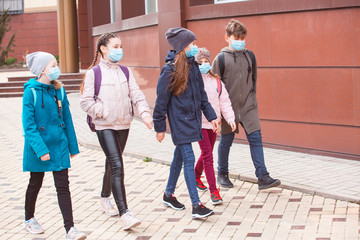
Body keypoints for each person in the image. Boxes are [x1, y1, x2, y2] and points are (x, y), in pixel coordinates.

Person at [80, 33, 153, 230]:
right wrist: (103, 112)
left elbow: (136, 95)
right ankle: (125, 213)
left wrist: (145, 113)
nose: (120, 49)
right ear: (103, 48)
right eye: (115, 46)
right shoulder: (94, 73)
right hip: (105, 126)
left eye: (121, 46)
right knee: (117, 165)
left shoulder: (125, 71)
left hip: (124, 125)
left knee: (111, 164)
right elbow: (85, 101)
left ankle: (104, 198)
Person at [153, 27, 219, 219]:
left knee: (180, 157)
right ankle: (196, 204)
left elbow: (202, 97)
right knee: (189, 158)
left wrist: (212, 116)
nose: (195, 47)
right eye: (192, 44)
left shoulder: (194, 67)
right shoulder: (169, 70)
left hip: (193, 120)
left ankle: (168, 194)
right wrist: (159, 128)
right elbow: (161, 101)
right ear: (183, 47)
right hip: (179, 122)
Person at [22, 52, 86, 240]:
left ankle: (70, 229)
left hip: (59, 145)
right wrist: (41, 150)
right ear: (42, 70)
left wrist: (73, 147)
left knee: (63, 186)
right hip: (38, 147)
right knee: (35, 183)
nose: (56, 68)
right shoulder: (30, 92)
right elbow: (29, 126)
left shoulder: (60, 90)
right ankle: (28, 218)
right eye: (53, 65)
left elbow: (67, 119)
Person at [212, 19, 281, 190]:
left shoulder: (250, 56)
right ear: (227, 38)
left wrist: (252, 100)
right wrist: (217, 111)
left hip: (249, 106)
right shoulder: (220, 59)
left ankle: (262, 176)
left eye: (242, 38)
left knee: (256, 138)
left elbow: (253, 80)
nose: (240, 42)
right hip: (228, 108)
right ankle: (222, 174)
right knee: (226, 140)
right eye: (236, 38)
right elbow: (214, 87)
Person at [194, 48, 236, 205]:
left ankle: (195, 175)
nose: (204, 64)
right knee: (208, 156)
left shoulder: (217, 81)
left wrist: (230, 118)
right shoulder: (193, 81)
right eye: (200, 62)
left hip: (214, 123)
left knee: (207, 153)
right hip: (199, 124)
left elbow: (224, 101)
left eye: (206, 62)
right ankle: (214, 191)